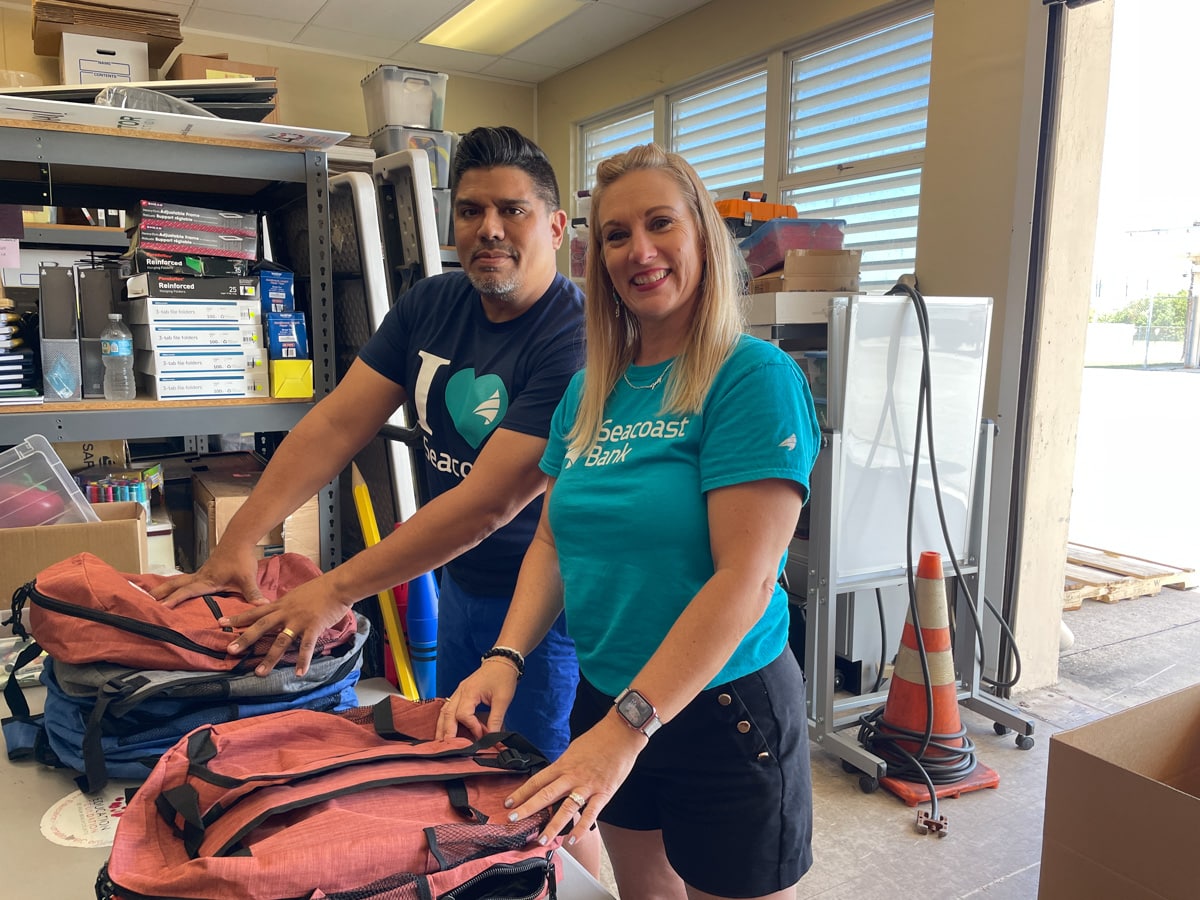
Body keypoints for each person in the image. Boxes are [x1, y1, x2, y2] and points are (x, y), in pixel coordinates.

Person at [437, 143, 821, 899]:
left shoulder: (752, 377)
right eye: (616, 235)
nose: (639, 251)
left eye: (660, 224)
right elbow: (553, 538)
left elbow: (744, 580)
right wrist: (506, 656)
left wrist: (626, 729)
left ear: (702, 235)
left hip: (722, 709)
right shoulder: (590, 390)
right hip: (606, 693)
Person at [151, 126, 586, 766]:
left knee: (528, 780)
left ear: (555, 227)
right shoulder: (431, 303)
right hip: (458, 582)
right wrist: (237, 541)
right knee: (458, 759)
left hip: (543, 608)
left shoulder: (575, 339)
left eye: (512, 210)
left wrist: (334, 590)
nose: (489, 229)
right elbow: (335, 426)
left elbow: (488, 504)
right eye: (471, 211)